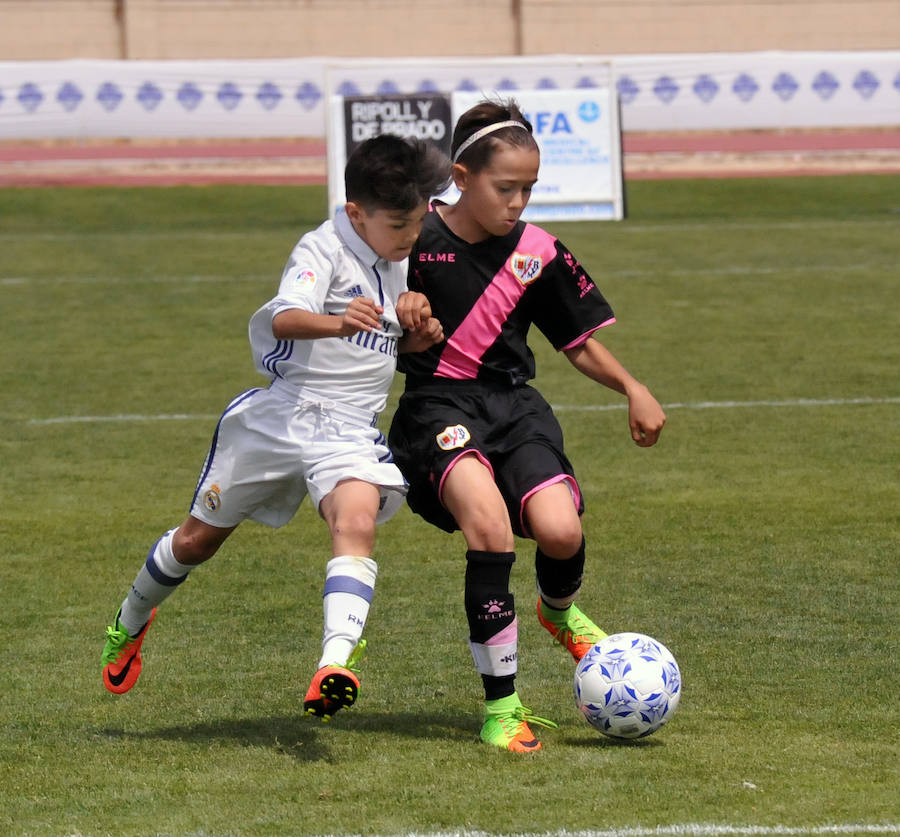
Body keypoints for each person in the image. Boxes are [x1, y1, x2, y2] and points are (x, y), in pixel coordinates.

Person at [101, 134, 452, 721]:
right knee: (196, 542)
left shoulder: (399, 251)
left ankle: (334, 663)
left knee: (357, 519)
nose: (412, 238)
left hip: (347, 431)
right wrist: (337, 324)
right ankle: (130, 621)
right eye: (401, 228)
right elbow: (285, 316)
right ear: (356, 213)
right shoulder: (321, 249)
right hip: (282, 418)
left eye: (417, 224)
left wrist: (418, 334)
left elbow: (389, 338)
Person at [388, 100, 667, 752]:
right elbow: (367, 323)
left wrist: (633, 386)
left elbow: (576, 342)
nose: (518, 202)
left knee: (561, 530)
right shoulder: (412, 240)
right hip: (438, 409)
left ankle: (558, 611)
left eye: (529, 188)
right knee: (489, 529)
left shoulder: (538, 252)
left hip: (514, 408)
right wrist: (400, 318)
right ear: (461, 175)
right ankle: (502, 708)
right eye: (504, 187)